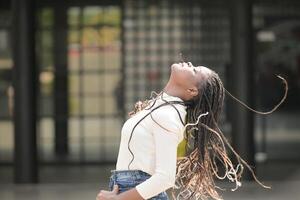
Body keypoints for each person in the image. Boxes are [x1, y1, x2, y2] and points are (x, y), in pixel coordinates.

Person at [96, 61, 287, 200]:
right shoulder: (160, 108)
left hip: (136, 191)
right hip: (130, 188)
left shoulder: (168, 116)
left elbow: (165, 178)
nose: (189, 63)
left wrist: (120, 199)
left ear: (192, 91)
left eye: (194, 70)